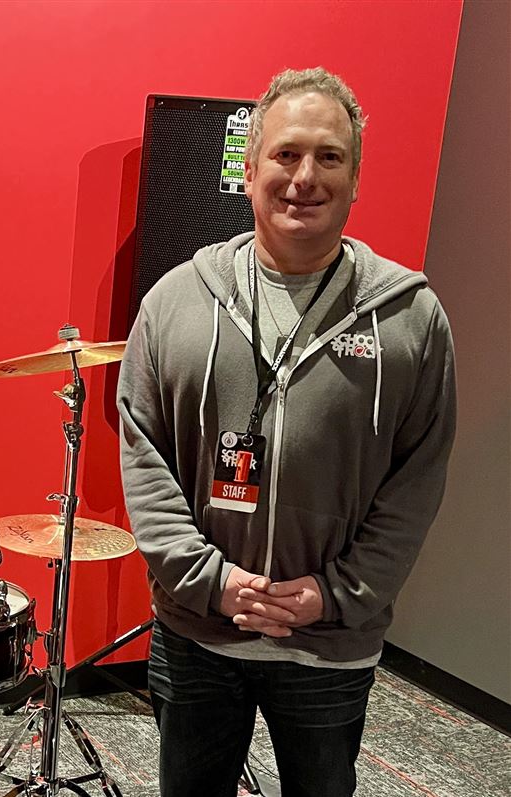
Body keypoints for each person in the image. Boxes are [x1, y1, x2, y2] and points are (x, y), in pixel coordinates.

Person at [117, 67, 456, 796]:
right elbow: (143, 458)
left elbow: (417, 481)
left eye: (329, 157)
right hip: (199, 630)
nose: (305, 176)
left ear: (356, 177)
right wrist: (213, 581)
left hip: (330, 644)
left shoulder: (411, 320)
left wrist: (333, 595)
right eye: (286, 153)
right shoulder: (174, 303)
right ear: (249, 168)